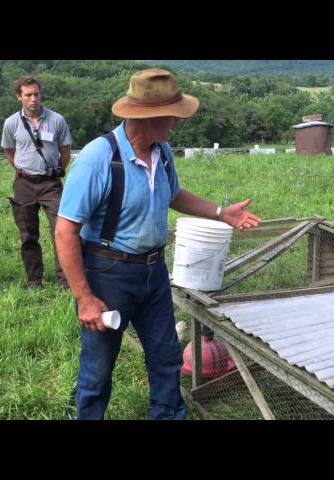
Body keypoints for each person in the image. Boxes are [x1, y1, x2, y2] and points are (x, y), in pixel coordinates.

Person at [55, 69, 261, 420]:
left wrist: (221, 212)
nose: (175, 124)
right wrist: (85, 299)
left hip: (153, 272)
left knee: (166, 358)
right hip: (109, 275)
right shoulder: (98, 158)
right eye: (172, 116)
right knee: (98, 367)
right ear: (146, 117)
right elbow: (65, 231)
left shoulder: (162, 151)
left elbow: (173, 194)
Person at [1, 76, 72, 289]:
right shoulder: (11, 123)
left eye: (36, 94)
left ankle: (65, 280)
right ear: (19, 97)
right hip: (24, 182)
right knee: (28, 234)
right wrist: (24, 170)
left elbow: (65, 152)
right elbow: (9, 151)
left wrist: (53, 170)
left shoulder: (56, 120)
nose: (33, 99)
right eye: (28, 95)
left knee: (62, 231)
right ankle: (34, 281)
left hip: (50, 182)